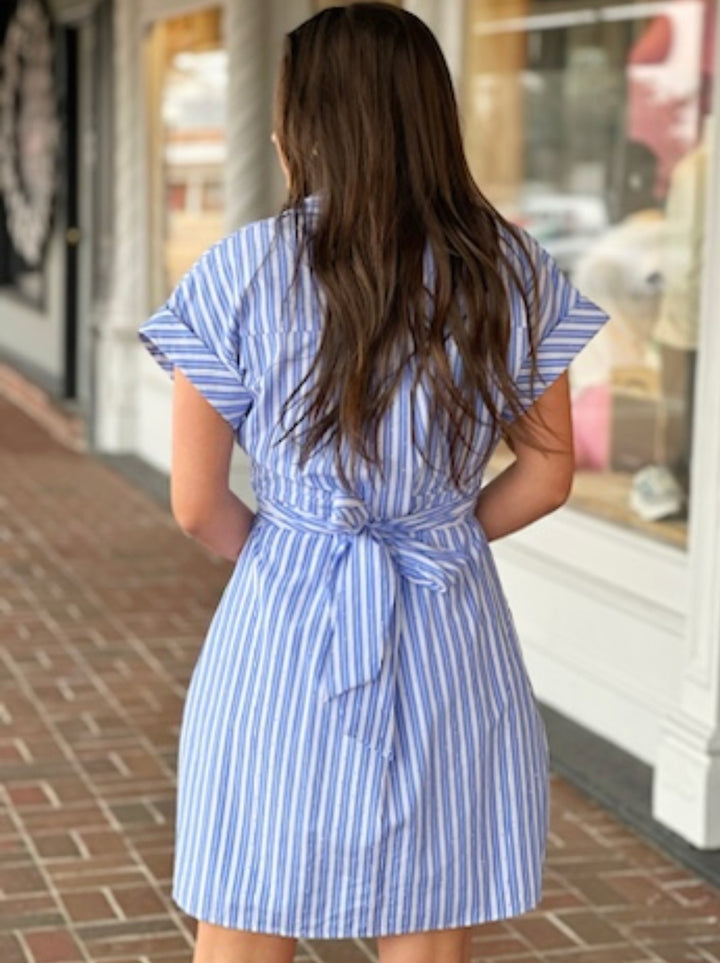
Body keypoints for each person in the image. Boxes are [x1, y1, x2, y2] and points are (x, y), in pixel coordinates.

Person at [138, 5, 610, 962]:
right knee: (429, 909)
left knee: (246, 893)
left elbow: (197, 501)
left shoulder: (237, 270)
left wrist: (293, 549)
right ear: (434, 119)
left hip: (282, 619)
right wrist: (442, 531)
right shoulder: (509, 270)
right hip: (446, 612)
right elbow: (551, 471)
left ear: (295, 131)